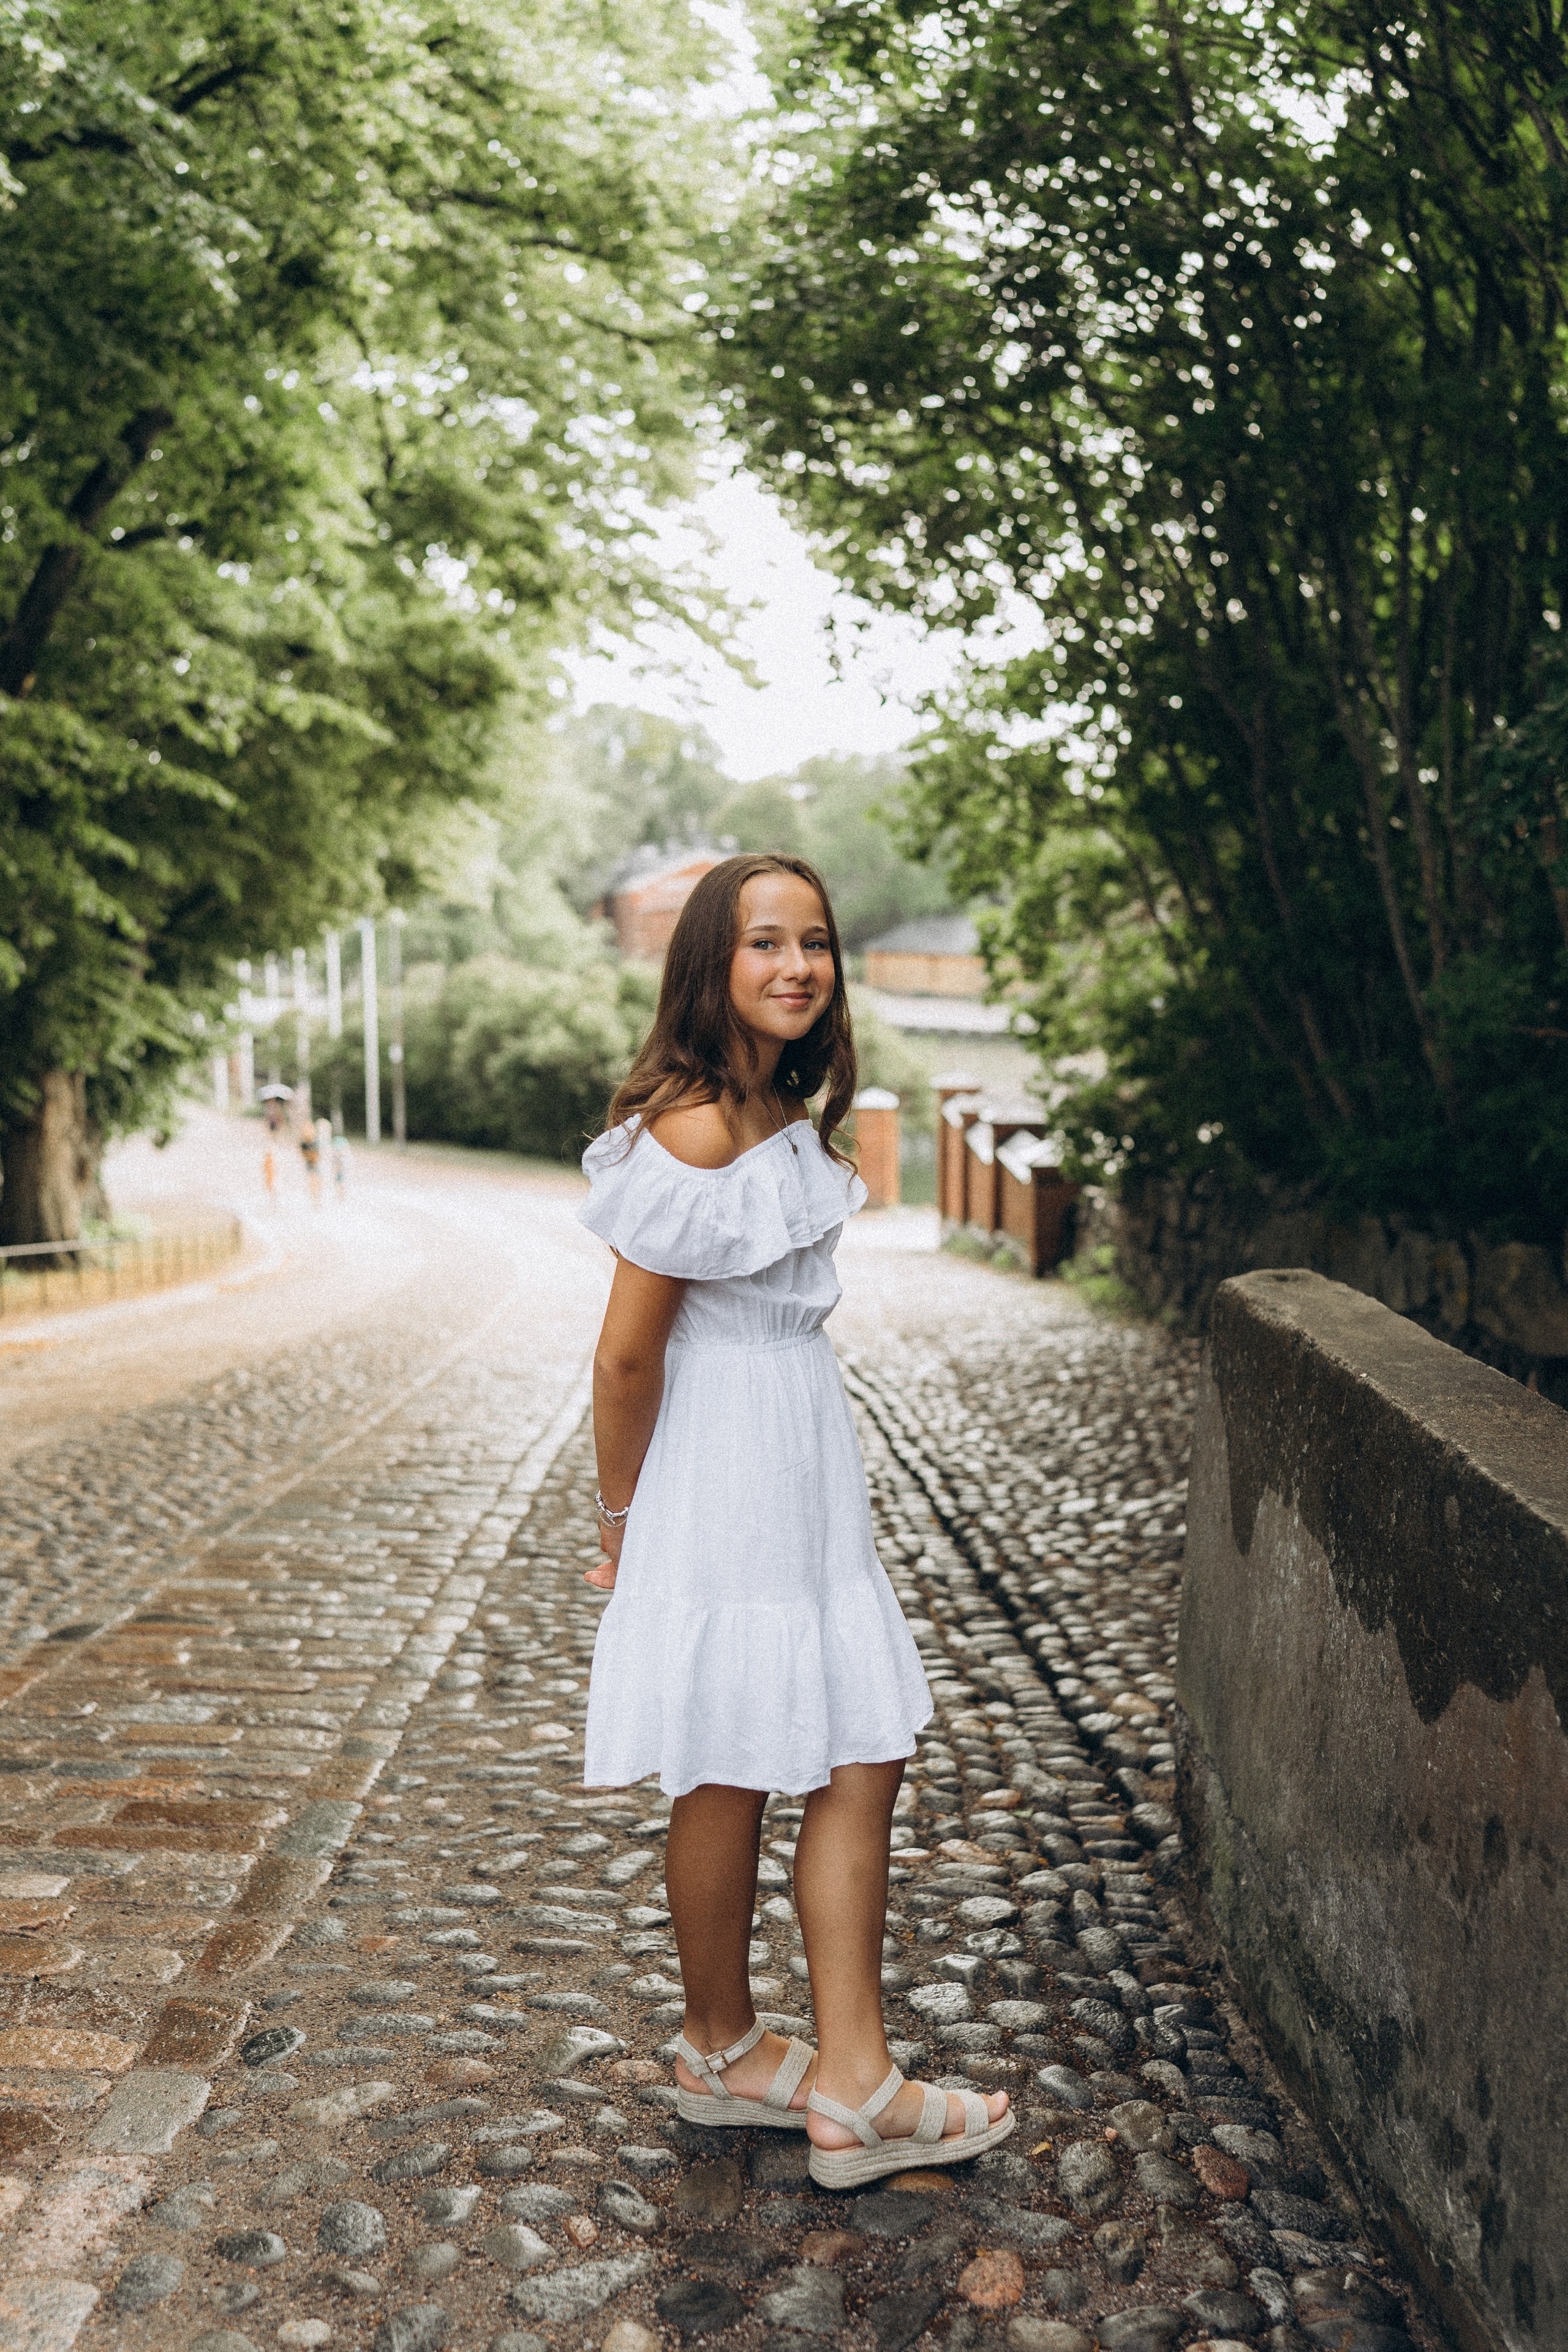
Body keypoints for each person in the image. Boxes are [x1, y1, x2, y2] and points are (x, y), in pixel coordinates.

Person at [576, 853, 1014, 2188]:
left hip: (786, 1452)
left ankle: (723, 2050)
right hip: (730, 1463)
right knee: (849, 1748)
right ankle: (853, 2084)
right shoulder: (702, 1126)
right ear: (709, 965)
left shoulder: (766, 1109)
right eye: (763, 942)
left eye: (813, 942)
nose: (794, 965)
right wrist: (619, 1518)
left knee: (738, 1752)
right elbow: (623, 1358)